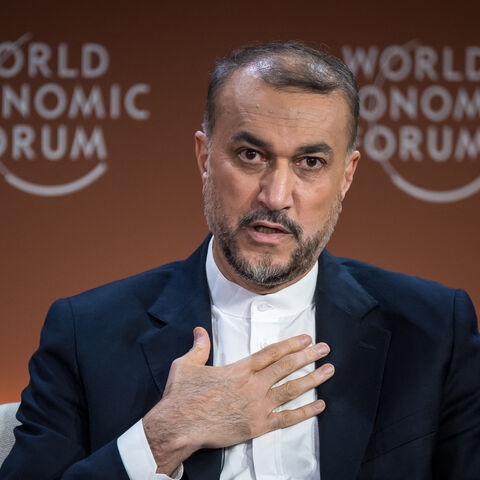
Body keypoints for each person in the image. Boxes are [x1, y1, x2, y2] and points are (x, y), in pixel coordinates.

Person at [1, 42, 479, 480]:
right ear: (205, 156)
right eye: (251, 155)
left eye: (310, 163)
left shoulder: (435, 330)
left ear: (348, 175)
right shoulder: (87, 332)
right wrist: (160, 439)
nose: (275, 196)